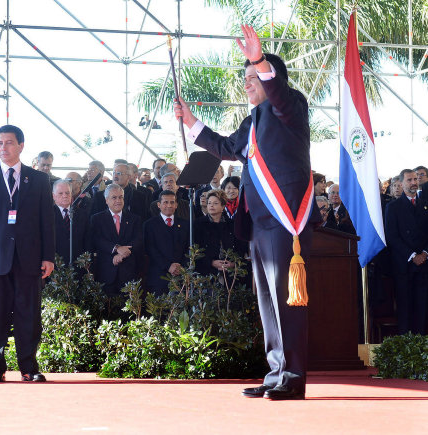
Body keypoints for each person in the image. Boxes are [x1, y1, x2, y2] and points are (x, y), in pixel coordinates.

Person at [174, 24, 320, 400]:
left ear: (273, 80)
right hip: (258, 224)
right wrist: (191, 122)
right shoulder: (251, 122)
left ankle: (293, 377)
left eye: (253, 76)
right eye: (246, 78)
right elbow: (225, 147)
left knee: (287, 301)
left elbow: (280, 94)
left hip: (285, 220)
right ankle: (276, 373)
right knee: (268, 302)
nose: (247, 83)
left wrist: (259, 58)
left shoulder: (289, 107)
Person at [0, 125, 55, 383]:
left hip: (29, 259)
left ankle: (29, 367)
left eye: (8, 143)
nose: (3, 148)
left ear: (21, 146)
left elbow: (46, 222)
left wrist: (48, 256)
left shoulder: (38, 180)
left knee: (29, 315)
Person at [385, 169, 428, 335]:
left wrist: (424, 253)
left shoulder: (425, 203)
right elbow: (392, 236)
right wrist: (412, 256)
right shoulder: (393, 207)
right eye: (409, 180)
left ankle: (423, 350)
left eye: (415, 179)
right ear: (401, 183)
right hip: (404, 266)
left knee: (422, 309)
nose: (413, 183)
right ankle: (406, 350)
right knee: (405, 310)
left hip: (424, 265)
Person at [88, 184, 143, 296]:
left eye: (121, 197)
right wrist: (116, 248)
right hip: (106, 272)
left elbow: (138, 240)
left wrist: (121, 255)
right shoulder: (97, 219)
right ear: (106, 200)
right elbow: (96, 240)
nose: (118, 200)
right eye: (114, 197)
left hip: (129, 273)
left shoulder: (135, 219)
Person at [143, 190, 189, 295]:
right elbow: (150, 249)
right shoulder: (149, 225)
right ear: (159, 205)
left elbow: (189, 248)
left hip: (181, 276)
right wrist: (168, 266)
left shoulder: (185, 224)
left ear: (176, 205)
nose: (169, 205)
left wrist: (180, 267)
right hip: (158, 277)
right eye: (165, 202)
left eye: (172, 202)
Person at [194, 190, 238, 276]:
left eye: (215, 203)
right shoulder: (198, 224)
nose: (211, 205)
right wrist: (212, 262)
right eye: (209, 203)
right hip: (206, 272)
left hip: (230, 272)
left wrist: (233, 264)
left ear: (223, 206)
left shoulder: (231, 224)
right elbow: (196, 249)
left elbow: (238, 247)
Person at [53, 180, 88, 264]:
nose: (65, 196)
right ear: (53, 196)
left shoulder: (82, 214)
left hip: (78, 263)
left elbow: (87, 239)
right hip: (55, 265)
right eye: (60, 193)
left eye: (67, 193)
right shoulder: (47, 214)